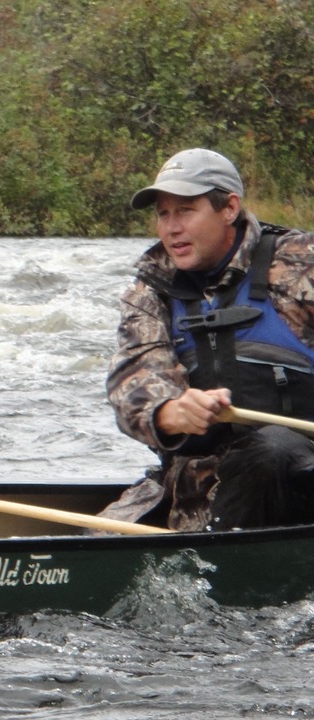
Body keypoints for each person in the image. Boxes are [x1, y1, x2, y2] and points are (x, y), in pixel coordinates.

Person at [104, 147, 314, 532]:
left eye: (185, 210)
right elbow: (134, 384)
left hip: (301, 476)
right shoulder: (150, 291)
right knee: (97, 538)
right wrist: (170, 413)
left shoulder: (300, 262)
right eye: (163, 214)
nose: (171, 228)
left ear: (229, 208)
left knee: (271, 449)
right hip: (196, 489)